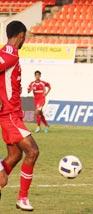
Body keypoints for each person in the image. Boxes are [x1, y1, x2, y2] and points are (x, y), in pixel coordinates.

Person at [0, 21, 39, 211]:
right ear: (21, 35)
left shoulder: (11, 55)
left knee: (14, 156)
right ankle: (22, 198)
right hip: (9, 116)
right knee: (32, 151)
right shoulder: (8, 55)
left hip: (14, 115)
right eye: (26, 36)